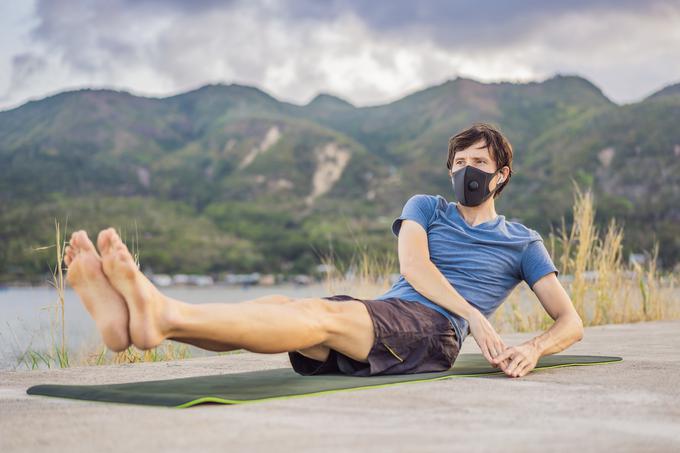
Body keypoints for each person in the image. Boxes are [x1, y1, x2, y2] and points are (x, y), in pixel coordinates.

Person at [64, 122, 583, 379]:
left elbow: (570, 321)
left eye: (478, 162)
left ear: (501, 175)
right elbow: (414, 267)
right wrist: (480, 314)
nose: (466, 171)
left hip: (433, 333)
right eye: (458, 162)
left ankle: (159, 314)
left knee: (315, 315)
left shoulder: (522, 241)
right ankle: (151, 323)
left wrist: (532, 348)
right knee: (284, 310)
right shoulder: (426, 207)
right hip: (390, 313)